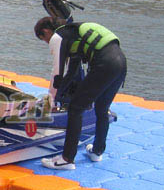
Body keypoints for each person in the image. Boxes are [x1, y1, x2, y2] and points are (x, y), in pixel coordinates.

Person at [34, 16, 127, 170]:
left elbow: (57, 73)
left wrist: (50, 100)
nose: (47, 43)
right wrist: (59, 94)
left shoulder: (58, 37)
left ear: (46, 31)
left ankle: (67, 159)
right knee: (102, 108)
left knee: (76, 109)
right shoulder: (74, 33)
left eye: (44, 39)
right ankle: (97, 152)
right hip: (120, 63)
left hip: (104, 63)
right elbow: (71, 71)